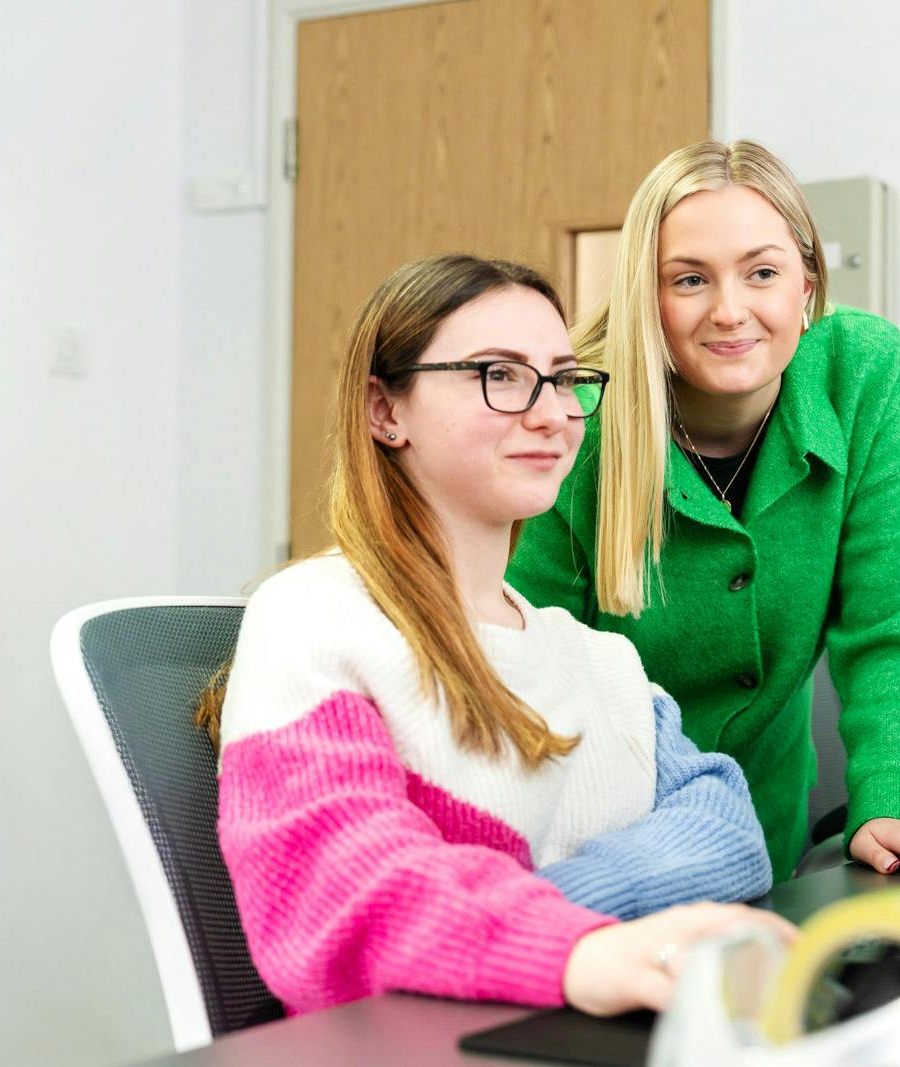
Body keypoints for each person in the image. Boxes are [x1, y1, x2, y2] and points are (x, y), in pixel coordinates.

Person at [200, 254, 791, 1018]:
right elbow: (346, 900)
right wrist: (576, 946)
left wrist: (525, 913)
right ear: (386, 411)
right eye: (500, 374)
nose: (552, 413)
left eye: (566, 378)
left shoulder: (596, 656)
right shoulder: (314, 614)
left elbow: (728, 834)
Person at [508, 141, 900, 883]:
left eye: (762, 272)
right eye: (690, 279)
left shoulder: (864, 375)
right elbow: (528, 678)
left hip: (764, 840)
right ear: (647, 297)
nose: (730, 311)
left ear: (806, 285)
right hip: (591, 853)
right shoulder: (574, 421)